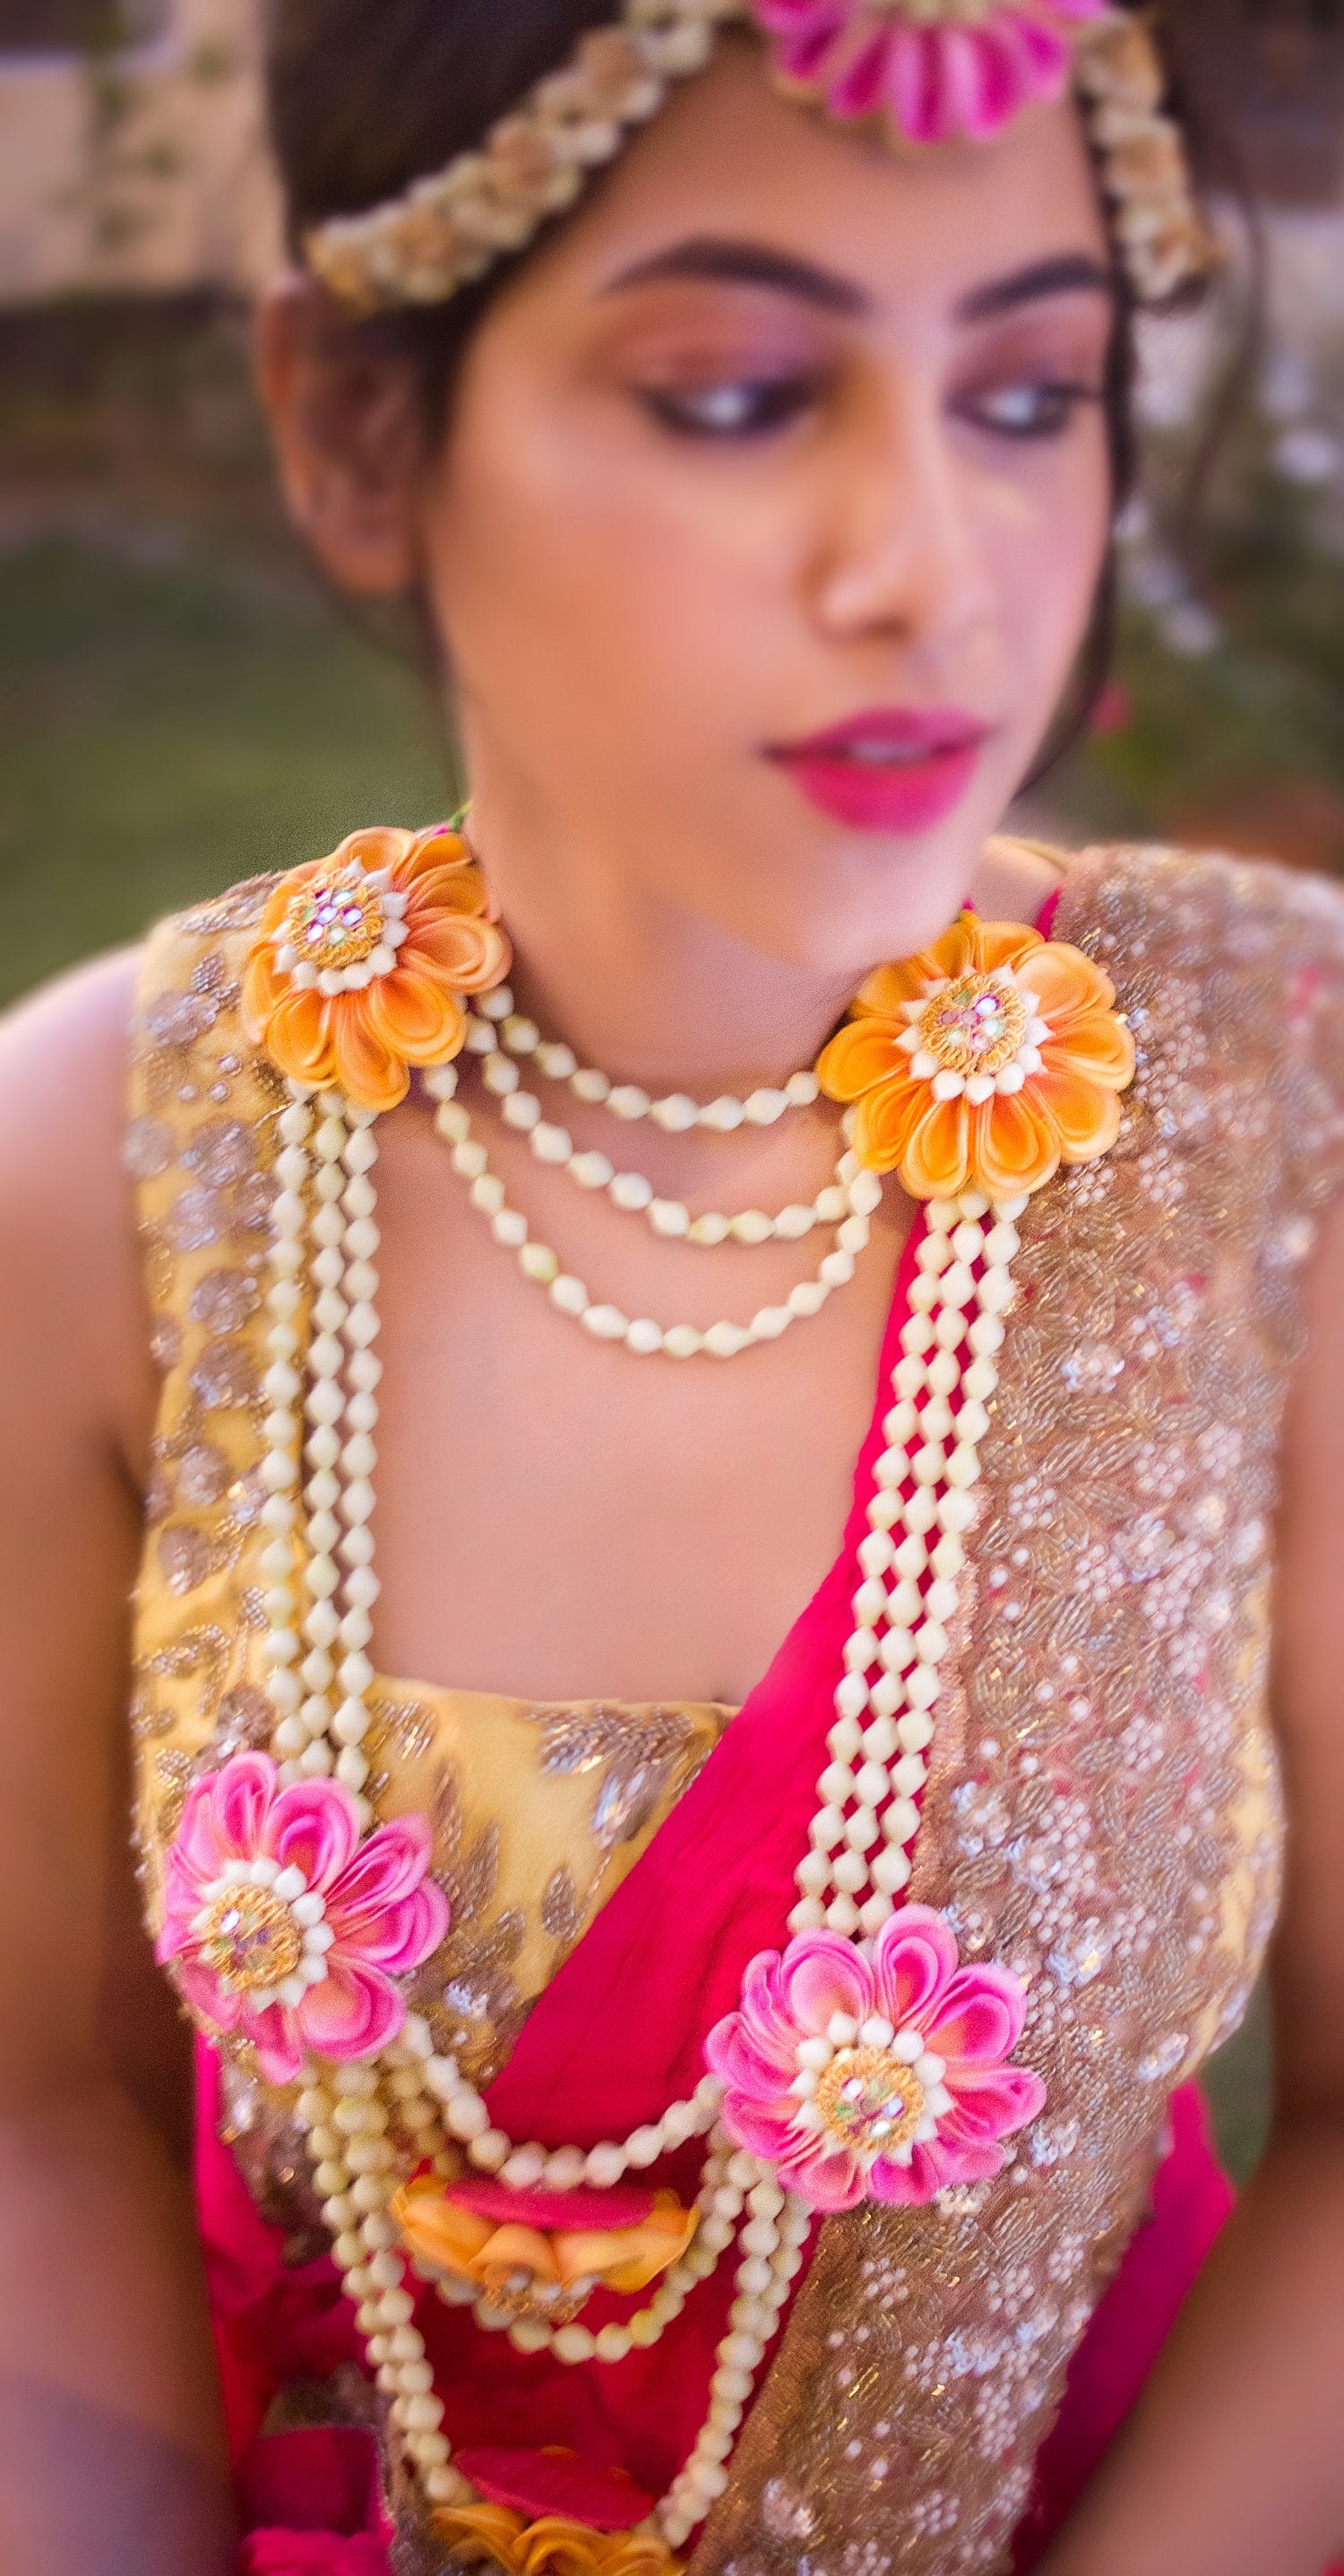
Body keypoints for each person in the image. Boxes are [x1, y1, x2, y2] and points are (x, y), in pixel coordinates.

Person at [1, 3, 1342, 2571]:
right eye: (735, 394)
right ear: (353, 433)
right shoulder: (107, 1163)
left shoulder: (1272, 1112)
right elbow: (32, 2112)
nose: (929, 570)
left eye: (1031, 395)